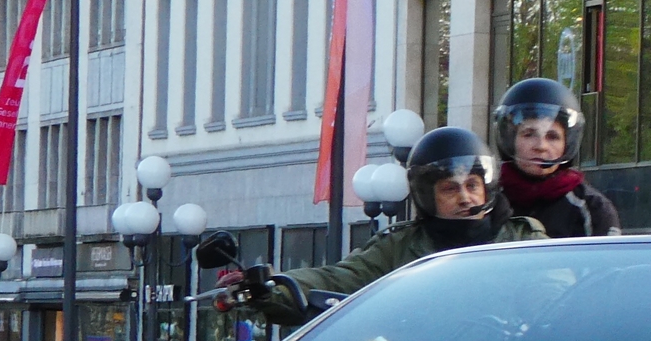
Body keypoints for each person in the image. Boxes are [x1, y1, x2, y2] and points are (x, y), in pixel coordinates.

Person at [222, 126, 541, 323]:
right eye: (449, 189)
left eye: (472, 185)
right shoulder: (399, 247)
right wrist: (270, 288)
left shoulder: (522, 238)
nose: (465, 197)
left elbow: (554, 297)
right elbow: (338, 279)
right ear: (427, 197)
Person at [491, 77, 620, 238]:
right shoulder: (487, 199)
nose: (541, 146)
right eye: (529, 134)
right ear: (510, 140)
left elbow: (607, 261)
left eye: (552, 137)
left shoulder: (591, 207)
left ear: (567, 143)